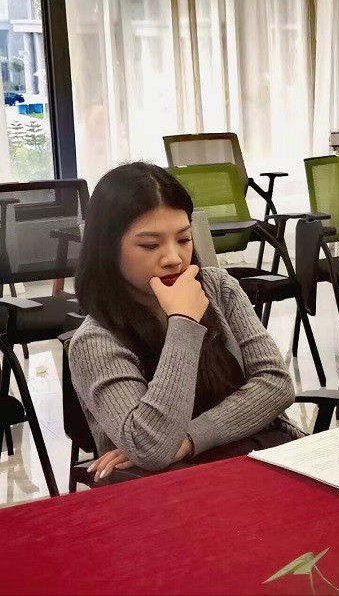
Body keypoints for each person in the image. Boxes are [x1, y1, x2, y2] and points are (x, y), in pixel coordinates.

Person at [70, 162, 300, 483]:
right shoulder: (95, 341)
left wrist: (192, 437)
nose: (174, 258)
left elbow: (276, 384)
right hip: (174, 487)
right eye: (150, 245)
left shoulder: (219, 287)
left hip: (263, 456)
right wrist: (183, 322)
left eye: (183, 239)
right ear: (107, 249)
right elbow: (152, 447)